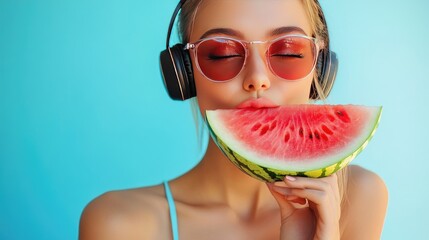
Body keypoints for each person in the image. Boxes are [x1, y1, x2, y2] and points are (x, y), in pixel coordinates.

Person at [79, 0, 388, 239]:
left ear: (319, 66)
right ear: (183, 74)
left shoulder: (358, 198)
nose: (257, 79)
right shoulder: (119, 225)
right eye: (222, 54)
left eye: (289, 52)